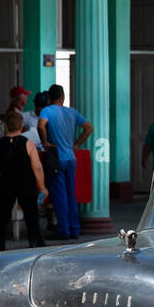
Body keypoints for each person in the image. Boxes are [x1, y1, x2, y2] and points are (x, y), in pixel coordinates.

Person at [0, 110, 48, 252]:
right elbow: (37, 168)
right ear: (21, 126)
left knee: (1, 221)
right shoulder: (28, 143)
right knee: (32, 220)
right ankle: (37, 249)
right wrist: (42, 187)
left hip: (5, 186)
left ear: (6, 126)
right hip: (26, 185)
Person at [38, 84, 92, 240]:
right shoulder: (72, 112)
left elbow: (41, 125)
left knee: (59, 196)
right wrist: (77, 144)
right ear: (62, 97)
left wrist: (45, 142)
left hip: (56, 158)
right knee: (71, 194)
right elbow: (89, 128)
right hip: (71, 158)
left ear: (50, 97)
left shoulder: (47, 111)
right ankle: (74, 229)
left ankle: (64, 231)